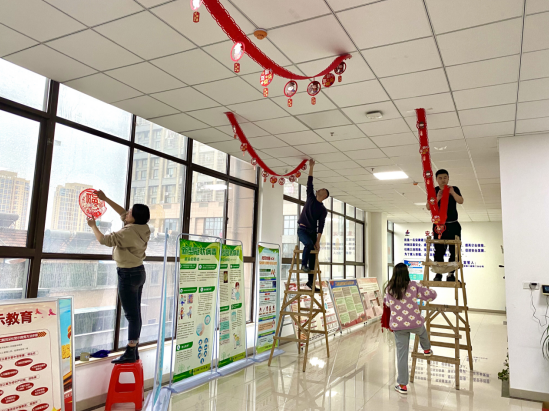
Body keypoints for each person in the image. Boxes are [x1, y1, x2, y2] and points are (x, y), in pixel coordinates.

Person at [87, 190, 150, 364]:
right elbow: (122, 213)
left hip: (128, 274)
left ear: (134, 218)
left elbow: (104, 240)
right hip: (138, 272)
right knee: (135, 314)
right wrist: (105, 199)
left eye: (130, 212)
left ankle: (130, 351)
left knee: (131, 315)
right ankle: (133, 350)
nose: (126, 213)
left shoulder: (128, 232)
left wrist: (93, 225)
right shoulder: (143, 227)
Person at [384, 263, 438, 395]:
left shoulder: (389, 289)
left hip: (399, 326)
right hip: (415, 323)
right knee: (423, 332)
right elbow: (432, 295)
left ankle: (402, 385)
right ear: (406, 273)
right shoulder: (413, 286)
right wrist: (426, 289)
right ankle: (427, 349)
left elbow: (387, 303)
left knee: (402, 356)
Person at [297, 159, 329, 292]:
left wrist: (318, 241)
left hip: (312, 232)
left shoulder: (323, 210)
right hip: (302, 229)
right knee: (309, 245)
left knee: (313, 255)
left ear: (324, 195)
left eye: (322, 189)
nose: (319, 189)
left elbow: (321, 226)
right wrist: (311, 167)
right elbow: (309, 182)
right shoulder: (310, 196)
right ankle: (303, 265)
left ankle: (311, 282)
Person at [426, 169, 464, 282]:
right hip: (438, 225)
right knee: (438, 250)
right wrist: (437, 198)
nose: (443, 180)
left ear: (448, 178)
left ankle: (451, 274)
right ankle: (438, 274)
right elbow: (428, 207)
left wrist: (452, 193)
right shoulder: (434, 190)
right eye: (440, 178)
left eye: (445, 177)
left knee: (455, 250)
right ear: (437, 179)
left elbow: (461, 201)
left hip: (453, 224)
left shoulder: (454, 188)